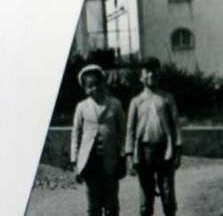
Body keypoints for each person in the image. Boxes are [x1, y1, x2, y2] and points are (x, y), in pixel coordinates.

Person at [125, 59, 182, 216]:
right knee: (146, 197)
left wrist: (178, 150)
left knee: (167, 194)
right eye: (147, 72)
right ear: (141, 77)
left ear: (159, 74)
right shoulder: (136, 102)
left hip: (164, 150)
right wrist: (129, 155)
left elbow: (176, 125)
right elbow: (130, 130)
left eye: (154, 71)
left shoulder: (167, 98)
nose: (151, 75)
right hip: (144, 152)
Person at [71, 64, 126, 216]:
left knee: (111, 203)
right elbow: (76, 133)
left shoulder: (115, 104)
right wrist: (75, 160)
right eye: (90, 86)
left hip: (110, 159)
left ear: (103, 82)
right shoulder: (82, 107)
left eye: (97, 83)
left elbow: (123, 132)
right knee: (93, 204)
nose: (95, 88)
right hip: (90, 162)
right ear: (85, 89)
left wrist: (122, 155)